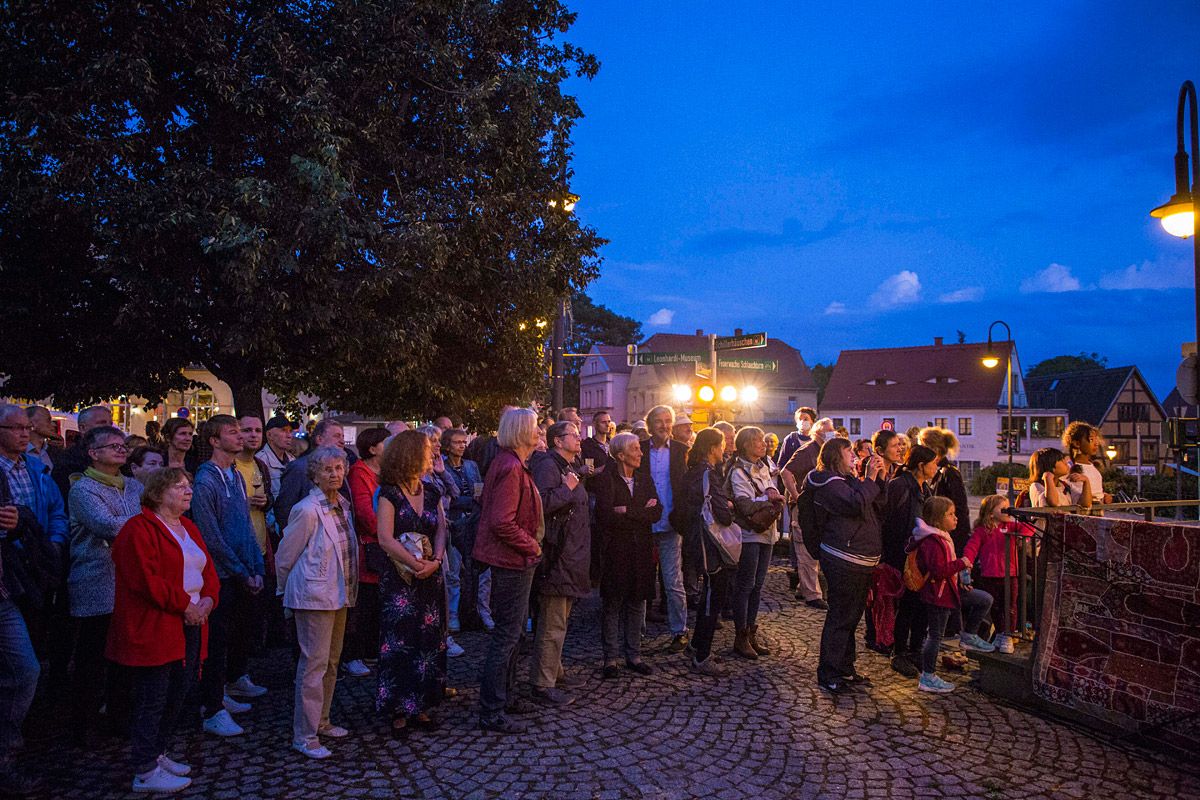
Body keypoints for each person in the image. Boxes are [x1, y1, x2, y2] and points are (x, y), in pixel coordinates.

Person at [108, 467, 218, 794]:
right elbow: (145, 579)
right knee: (152, 697)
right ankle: (144, 768)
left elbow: (207, 569)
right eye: (179, 487)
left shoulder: (189, 526)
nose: (188, 491)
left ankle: (157, 752)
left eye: (189, 486)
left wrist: (208, 601)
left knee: (178, 692)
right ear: (157, 493)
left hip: (193, 621)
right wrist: (186, 606)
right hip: (156, 625)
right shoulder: (138, 529)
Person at [275, 447, 359, 759]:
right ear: (314, 474)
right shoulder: (307, 510)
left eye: (339, 468)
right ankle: (305, 734)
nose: (335, 474)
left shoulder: (342, 506)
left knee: (331, 662)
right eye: (328, 470)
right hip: (314, 596)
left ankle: (322, 720)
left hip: (338, 594)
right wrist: (284, 593)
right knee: (313, 665)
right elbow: (286, 554)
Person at [66, 425, 145, 742]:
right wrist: (145, 523)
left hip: (129, 582)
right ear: (92, 453)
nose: (120, 449)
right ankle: (83, 724)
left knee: (123, 656)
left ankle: (118, 716)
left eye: (122, 444)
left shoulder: (135, 487)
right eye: (111, 445)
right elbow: (106, 525)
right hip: (95, 580)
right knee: (92, 657)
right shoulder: (83, 489)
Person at [188, 415, 266, 737]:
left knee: (232, 637)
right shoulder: (205, 481)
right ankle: (211, 708)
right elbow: (211, 537)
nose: (240, 437)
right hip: (219, 574)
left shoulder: (233, 474)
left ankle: (220, 693)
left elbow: (245, 527)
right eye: (231, 433)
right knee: (216, 642)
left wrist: (255, 568)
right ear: (214, 441)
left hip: (239, 570)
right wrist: (239, 570)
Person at [474, 409, 543, 734]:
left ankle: (507, 697)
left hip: (513, 559)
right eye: (535, 426)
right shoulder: (511, 467)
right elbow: (502, 521)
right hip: (511, 560)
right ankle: (492, 708)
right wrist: (531, 544)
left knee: (513, 634)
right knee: (506, 635)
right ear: (521, 431)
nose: (540, 430)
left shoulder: (512, 464)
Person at [375, 431, 448, 736]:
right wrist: (416, 563)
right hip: (400, 579)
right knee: (400, 641)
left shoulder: (431, 492)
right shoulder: (389, 493)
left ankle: (421, 704)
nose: (433, 455)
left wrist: (437, 560)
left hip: (430, 576)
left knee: (429, 639)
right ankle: (397, 709)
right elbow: (385, 538)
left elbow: (442, 528)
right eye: (428, 450)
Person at [808, 437, 886, 694]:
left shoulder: (846, 481)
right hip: (843, 558)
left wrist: (875, 477)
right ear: (834, 456)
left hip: (859, 559)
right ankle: (828, 672)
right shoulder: (827, 483)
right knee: (840, 617)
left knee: (852, 618)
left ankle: (845, 667)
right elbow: (855, 504)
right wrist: (870, 478)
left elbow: (875, 503)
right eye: (848, 451)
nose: (853, 454)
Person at [528, 421, 590, 706]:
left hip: (571, 552)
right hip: (558, 554)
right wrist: (567, 489)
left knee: (560, 619)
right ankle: (542, 683)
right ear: (556, 441)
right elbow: (541, 503)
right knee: (552, 621)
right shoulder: (548, 466)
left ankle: (555, 670)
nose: (579, 438)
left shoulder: (569, 465)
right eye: (573, 435)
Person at [907, 496, 995, 694]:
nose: (956, 518)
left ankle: (969, 635)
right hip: (938, 594)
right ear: (938, 519)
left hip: (951, 590)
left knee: (984, 600)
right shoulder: (932, 541)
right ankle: (928, 677)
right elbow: (938, 571)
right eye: (950, 514)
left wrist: (960, 580)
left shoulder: (943, 537)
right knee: (935, 636)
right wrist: (962, 563)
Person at [594, 432, 661, 680]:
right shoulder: (606, 480)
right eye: (635, 449)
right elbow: (606, 516)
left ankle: (634, 656)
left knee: (637, 603)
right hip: (616, 550)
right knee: (613, 604)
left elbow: (657, 513)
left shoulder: (645, 480)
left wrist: (628, 512)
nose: (641, 453)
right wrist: (640, 512)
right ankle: (610, 659)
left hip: (641, 550)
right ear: (621, 455)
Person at [881, 445, 940, 677]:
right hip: (901, 555)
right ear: (921, 465)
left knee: (920, 605)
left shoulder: (924, 488)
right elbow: (886, 520)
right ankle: (899, 652)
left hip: (919, 556)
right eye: (933, 463)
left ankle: (916, 649)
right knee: (905, 606)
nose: (936, 467)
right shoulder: (899, 485)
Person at [680, 428, 734, 676]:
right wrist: (729, 509)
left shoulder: (695, 471)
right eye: (721, 445)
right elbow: (721, 512)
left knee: (709, 594)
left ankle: (695, 645)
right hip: (709, 543)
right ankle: (702, 655)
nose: (724, 450)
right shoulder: (707, 475)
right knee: (714, 595)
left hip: (697, 539)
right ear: (713, 448)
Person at [728, 426, 784, 660]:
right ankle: (740, 636)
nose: (763, 444)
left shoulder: (765, 467)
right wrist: (768, 499)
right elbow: (745, 505)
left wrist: (770, 499)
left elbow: (773, 495)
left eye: (763, 440)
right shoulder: (738, 472)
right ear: (746, 445)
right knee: (746, 585)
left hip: (767, 533)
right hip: (750, 534)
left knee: (758, 585)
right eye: (758, 441)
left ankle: (751, 632)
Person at [638, 405, 690, 653]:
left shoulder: (682, 451)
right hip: (643, 524)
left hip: (671, 522)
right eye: (659, 421)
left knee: (673, 581)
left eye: (668, 421)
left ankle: (679, 631)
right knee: (640, 577)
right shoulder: (639, 450)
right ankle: (636, 632)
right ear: (649, 425)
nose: (664, 425)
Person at [344, 427, 391, 678]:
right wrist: (390, 528)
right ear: (373, 449)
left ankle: (373, 649)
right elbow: (364, 513)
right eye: (386, 443)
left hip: (384, 544)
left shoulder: (386, 473)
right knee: (364, 604)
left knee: (377, 603)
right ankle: (356, 653)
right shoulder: (360, 474)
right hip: (368, 548)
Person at [964, 495, 1036, 654]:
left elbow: (1029, 529)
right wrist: (967, 561)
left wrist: (1016, 523)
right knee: (995, 607)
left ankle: (1008, 635)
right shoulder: (982, 531)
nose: (1008, 510)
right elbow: (972, 547)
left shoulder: (1010, 526)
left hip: (1010, 574)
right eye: (1003, 508)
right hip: (990, 575)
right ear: (990, 513)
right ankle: (1001, 632)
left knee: (1010, 606)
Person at [441, 428, 492, 631]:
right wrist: (469, 500)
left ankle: (482, 611)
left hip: (474, 520)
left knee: (482, 571)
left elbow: (478, 488)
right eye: (457, 442)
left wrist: (476, 499)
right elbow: (448, 498)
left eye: (464, 442)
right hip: (454, 522)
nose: (462, 446)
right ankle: (453, 615)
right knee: (454, 571)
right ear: (448, 445)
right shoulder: (442, 467)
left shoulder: (471, 466)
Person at [780, 416, 833, 609]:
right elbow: (786, 472)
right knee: (805, 549)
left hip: (817, 507)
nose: (832, 433)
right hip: (804, 507)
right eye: (829, 430)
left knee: (811, 549)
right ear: (819, 432)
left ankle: (804, 587)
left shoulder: (825, 452)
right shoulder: (807, 450)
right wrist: (797, 496)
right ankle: (813, 594)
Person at [274, 418, 347, 527]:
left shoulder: (341, 466)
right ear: (319, 439)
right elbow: (284, 510)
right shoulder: (299, 468)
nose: (342, 441)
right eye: (336, 436)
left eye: (342, 436)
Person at [918, 428, 971, 555]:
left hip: (952, 537)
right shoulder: (938, 471)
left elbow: (960, 508)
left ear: (933, 450)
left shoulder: (949, 472)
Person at [1062, 422, 1111, 506]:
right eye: (1091, 440)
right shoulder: (1068, 467)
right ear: (1077, 443)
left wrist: (1103, 496)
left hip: (1098, 513)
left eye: (1096, 440)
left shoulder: (1093, 466)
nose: (1096, 444)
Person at [258, 415, 295, 501]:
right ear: (269, 435)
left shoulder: (292, 460)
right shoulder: (260, 461)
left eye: (290, 431)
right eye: (284, 430)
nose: (289, 435)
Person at [776, 406, 818, 472]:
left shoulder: (817, 439)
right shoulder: (790, 439)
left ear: (812, 421)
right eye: (800, 419)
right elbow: (781, 463)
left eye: (806, 419)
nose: (802, 422)